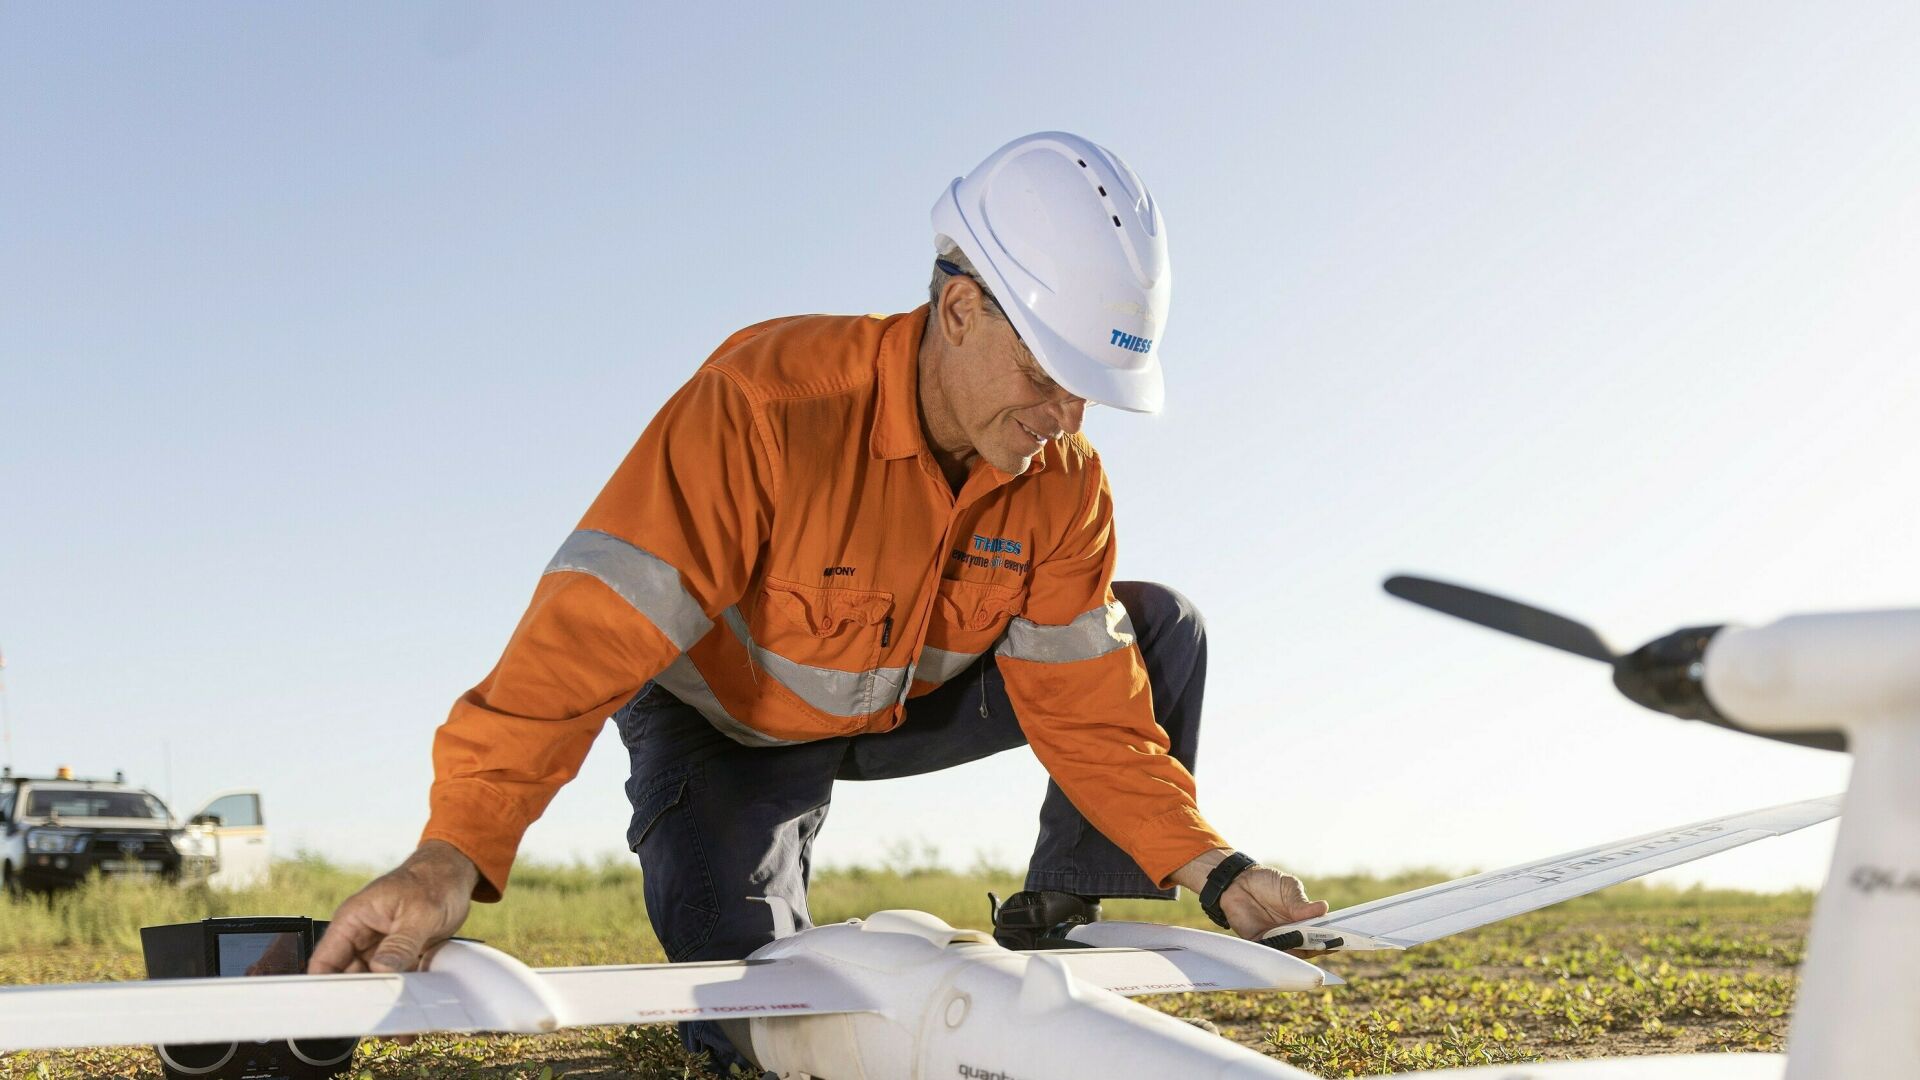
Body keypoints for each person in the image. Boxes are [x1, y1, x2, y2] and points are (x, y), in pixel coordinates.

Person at [310, 131, 1330, 1072]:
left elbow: (1090, 707)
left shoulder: (1063, 482)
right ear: (962, 305)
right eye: (1047, 372)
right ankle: (748, 926)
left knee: (1156, 626)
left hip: (901, 709)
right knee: (758, 1014)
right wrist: (453, 849)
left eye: (1088, 391)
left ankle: (1057, 913)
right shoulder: (764, 407)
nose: (1066, 417)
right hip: (727, 727)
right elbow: (586, 634)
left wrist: (1214, 868)